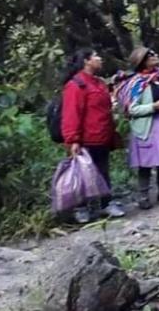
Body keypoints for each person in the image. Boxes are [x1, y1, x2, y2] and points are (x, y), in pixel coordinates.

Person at [61, 49, 126, 223]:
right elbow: (71, 114)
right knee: (82, 173)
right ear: (86, 61)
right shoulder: (75, 85)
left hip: (102, 136)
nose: (100, 59)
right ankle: (81, 208)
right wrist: (73, 139)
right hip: (84, 139)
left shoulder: (98, 83)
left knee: (103, 171)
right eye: (96, 56)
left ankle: (106, 204)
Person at [115, 47, 159, 210]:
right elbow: (131, 109)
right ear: (142, 61)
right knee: (145, 162)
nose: (155, 56)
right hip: (147, 127)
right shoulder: (136, 83)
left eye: (154, 53)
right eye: (151, 55)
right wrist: (154, 106)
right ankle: (143, 196)